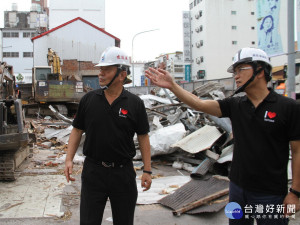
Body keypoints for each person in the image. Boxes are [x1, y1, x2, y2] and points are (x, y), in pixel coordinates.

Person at [145, 47, 300, 225]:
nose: (236, 75)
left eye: (241, 69)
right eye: (234, 71)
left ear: (260, 71)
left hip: (270, 193)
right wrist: (173, 85)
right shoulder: (235, 104)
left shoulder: (288, 108)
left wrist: (295, 192)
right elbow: (199, 104)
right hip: (237, 189)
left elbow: (297, 152)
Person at [64, 46, 152, 225]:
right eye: (100, 69)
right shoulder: (89, 100)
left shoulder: (134, 104)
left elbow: (143, 137)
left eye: (106, 70)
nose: (100, 74)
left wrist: (147, 170)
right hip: (93, 173)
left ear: (121, 74)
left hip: (123, 174)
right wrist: (68, 159)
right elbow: (77, 130)